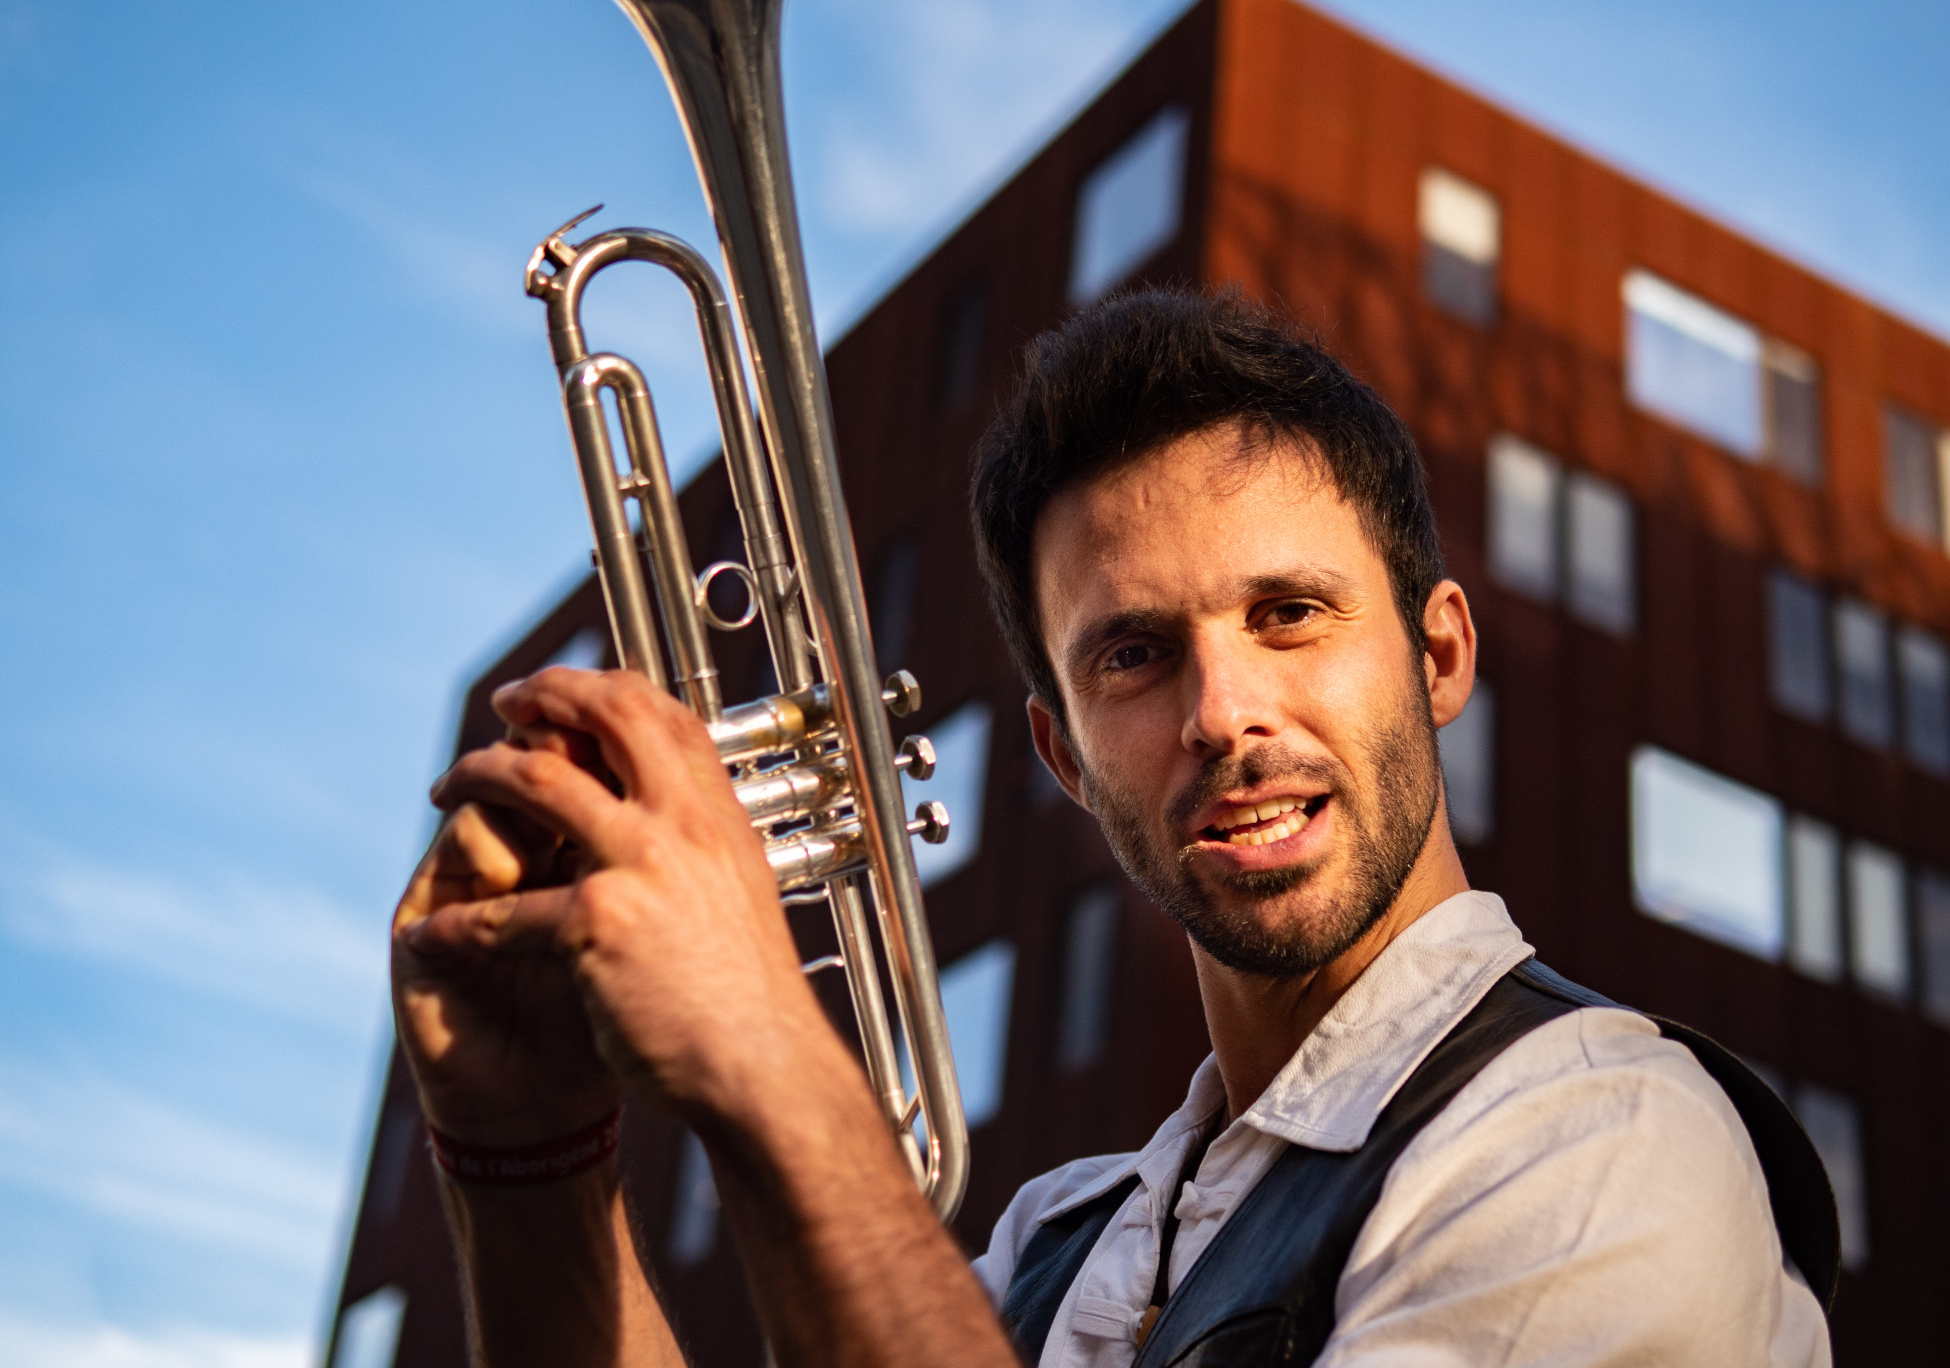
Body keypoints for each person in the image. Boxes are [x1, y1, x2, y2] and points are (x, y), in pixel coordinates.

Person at [391, 289, 1835, 1368]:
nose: (1221, 711)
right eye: (1134, 656)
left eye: (1290, 616)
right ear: (1061, 758)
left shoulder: (1593, 1136)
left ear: (1440, 658)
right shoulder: (1050, 1241)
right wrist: (530, 1157)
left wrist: (770, 1055)